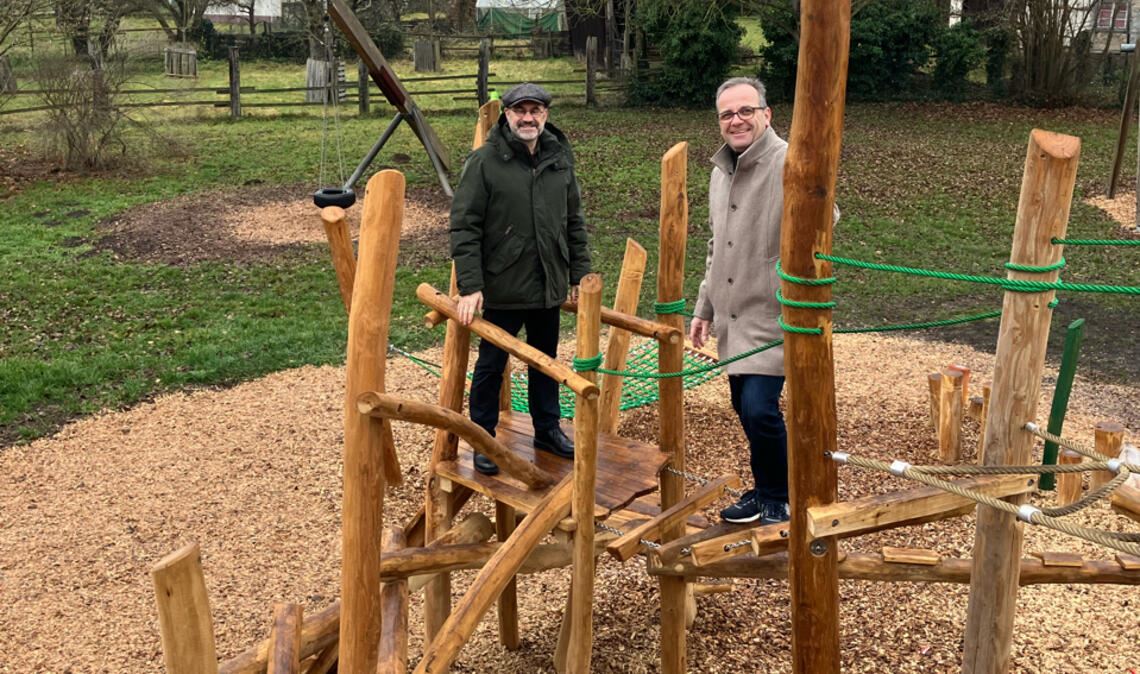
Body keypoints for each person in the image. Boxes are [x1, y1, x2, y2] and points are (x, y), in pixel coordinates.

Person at [691, 76, 836, 524]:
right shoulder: (720, 171)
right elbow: (717, 245)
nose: (736, 120)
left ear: (766, 114)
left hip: (774, 313)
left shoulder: (790, 160)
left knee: (758, 408)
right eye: (727, 114)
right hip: (733, 312)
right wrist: (704, 308)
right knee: (744, 407)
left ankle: (780, 494)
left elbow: (825, 213)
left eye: (745, 111)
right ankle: (770, 486)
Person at [450, 82, 591, 476]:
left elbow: (574, 220)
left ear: (546, 114)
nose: (528, 118)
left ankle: (547, 429)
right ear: (507, 115)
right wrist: (471, 285)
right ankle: (483, 437)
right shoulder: (484, 162)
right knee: (492, 364)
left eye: (536, 110)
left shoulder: (559, 158)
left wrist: (578, 272)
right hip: (501, 285)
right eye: (520, 111)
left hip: (548, 281)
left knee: (545, 361)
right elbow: (465, 226)